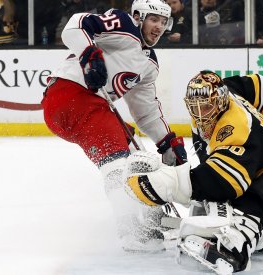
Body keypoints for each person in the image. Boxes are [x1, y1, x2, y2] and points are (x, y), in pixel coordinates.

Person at [123, 71, 263, 273]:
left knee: (245, 207)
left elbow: (225, 181)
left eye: (206, 107)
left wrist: (168, 184)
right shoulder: (225, 94)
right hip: (262, 169)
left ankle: (234, 250)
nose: (200, 114)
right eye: (195, 106)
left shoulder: (235, 126)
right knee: (221, 201)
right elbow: (257, 86)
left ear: (219, 101)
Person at [41, 0, 187, 252]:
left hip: (90, 106)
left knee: (138, 161)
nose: (159, 27)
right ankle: (129, 229)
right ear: (139, 17)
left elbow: (146, 110)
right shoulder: (125, 25)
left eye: (164, 22)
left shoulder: (149, 63)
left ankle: (149, 217)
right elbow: (75, 26)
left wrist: (166, 142)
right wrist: (89, 55)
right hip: (69, 95)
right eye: (154, 20)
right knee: (118, 162)